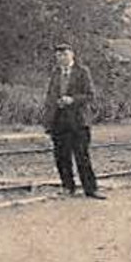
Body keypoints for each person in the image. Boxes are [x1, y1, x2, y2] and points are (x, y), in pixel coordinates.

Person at [42, 43, 102, 199]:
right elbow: (49, 97)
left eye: (65, 55)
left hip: (78, 121)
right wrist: (49, 119)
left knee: (82, 156)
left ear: (72, 55)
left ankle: (90, 189)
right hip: (59, 120)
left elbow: (90, 95)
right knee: (62, 157)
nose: (62, 58)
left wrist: (72, 99)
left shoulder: (82, 72)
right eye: (59, 55)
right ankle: (67, 187)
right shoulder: (55, 74)